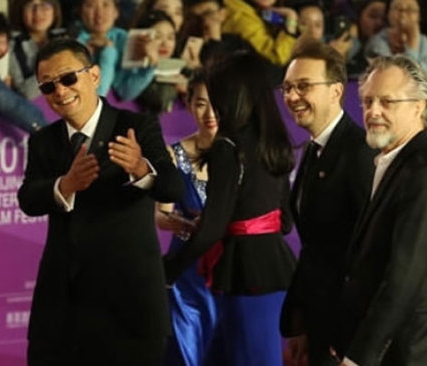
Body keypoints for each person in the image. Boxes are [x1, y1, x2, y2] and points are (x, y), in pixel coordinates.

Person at [17, 38, 184, 365]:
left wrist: (139, 168)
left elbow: (172, 188)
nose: (60, 92)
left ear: (94, 76)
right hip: (62, 310)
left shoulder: (136, 126)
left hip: (129, 308)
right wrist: (66, 185)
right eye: (48, 87)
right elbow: (28, 198)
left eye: (68, 79)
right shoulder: (43, 141)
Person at [163, 51, 297, 366]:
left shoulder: (227, 148)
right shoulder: (272, 141)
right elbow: (286, 220)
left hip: (244, 274)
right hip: (274, 268)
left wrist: (167, 271)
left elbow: (212, 227)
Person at [278, 39, 376, 366]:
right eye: (288, 87)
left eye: (304, 86)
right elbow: (314, 249)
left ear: (336, 91)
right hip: (318, 321)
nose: (292, 97)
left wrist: (357, 340)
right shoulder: (312, 149)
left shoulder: (359, 153)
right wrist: (302, 324)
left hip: (347, 332)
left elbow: (370, 254)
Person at [331, 55, 427, 366]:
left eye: (387, 102)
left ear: (419, 106)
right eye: (368, 100)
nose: (373, 111)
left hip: (402, 350)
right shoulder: (395, 158)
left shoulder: (422, 168)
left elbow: (405, 274)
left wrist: (360, 356)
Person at [157, 69, 218, 366]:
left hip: (228, 272)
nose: (210, 113)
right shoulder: (174, 154)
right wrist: (185, 224)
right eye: (201, 103)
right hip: (187, 275)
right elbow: (161, 215)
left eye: (217, 102)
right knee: (186, 354)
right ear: (190, 104)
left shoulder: (242, 155)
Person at [365, 0, 427, 71]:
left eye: (410, 9)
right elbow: (398, 74)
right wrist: (412, 45)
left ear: (419, 16)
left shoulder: (424, 41)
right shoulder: (377, 42)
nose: (403, 14)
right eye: (398, 8)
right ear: (388, 14)